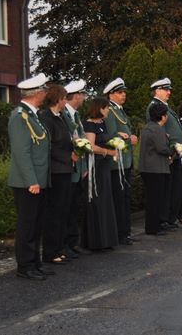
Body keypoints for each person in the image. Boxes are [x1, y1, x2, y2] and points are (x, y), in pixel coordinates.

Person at [8, 73, 51, 280]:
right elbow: (21, 152)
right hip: (28, 182)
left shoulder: (33, 115)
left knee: (37, 223)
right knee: (27, 225)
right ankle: (25, 266)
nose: (46, 93)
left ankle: (35, 262)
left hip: (39, 179)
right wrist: (31, 180)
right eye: (44, 90)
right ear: (36, 93)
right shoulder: (20, 117)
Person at [38, 84, 75, 265]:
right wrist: (68, 157)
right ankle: (50, 251)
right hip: (56, 171)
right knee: (54, 212)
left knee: (63, 210)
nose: (66, 101)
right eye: (64, 98)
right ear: (58, 99)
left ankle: (60, 248)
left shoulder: (61, 117)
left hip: (65, 169)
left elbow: (68, 138)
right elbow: (49, 145)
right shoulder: (46, 117)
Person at [103, 78, 138, 245]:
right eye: (119, 92)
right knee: (119, 199)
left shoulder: (120, 110)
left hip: (125, 161)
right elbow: (111, 136)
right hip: (117, 163)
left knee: (125, 197)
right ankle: (120, 233)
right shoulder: (110, 111)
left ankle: (125, 232)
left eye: (124, 92)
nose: (123, 95)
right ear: (111, 95)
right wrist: (127, 138)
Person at [147, 78, 182, 230]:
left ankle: (171, 217)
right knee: (167, 190)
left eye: (169, 89)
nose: (169, 92)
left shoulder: (165, 106)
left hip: (174, 153)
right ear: (157, 91)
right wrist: (169, 152)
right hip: (167, 154)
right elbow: (157, 130)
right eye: (166, 89)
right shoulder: (154, 107)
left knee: (174, 188)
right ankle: (165, 219)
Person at [83, 97, 119, 251]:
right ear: (100, 108)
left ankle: (107, 239)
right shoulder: (89, 124)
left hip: (104, 165)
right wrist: (108, 152)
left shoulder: (102, 123)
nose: (109, 110)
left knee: (106, 201)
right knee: (98, 201)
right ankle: (96, 241)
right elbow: (90, 146)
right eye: (107, 108)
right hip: (95, 166)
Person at [139, 102, 172, 236]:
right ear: (163, 116)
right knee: (156, 199)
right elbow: (162, 148)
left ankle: (153, 225)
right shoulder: (158, 129)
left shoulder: (148, 127)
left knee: (152, 199)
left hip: (147, 168)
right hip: (156, 168)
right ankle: (154, 227)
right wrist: (173, 151)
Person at [62, 80, 87, 257]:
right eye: (82, 94)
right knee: (67, 209)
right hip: (67, 170)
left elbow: (82, 142)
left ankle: (73, 243)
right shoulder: (64, 115)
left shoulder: (76, 115)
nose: (84, 97)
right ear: (76, 96)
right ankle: (66, 245)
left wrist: (83, 167)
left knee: (75, 208)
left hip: (78, 170)